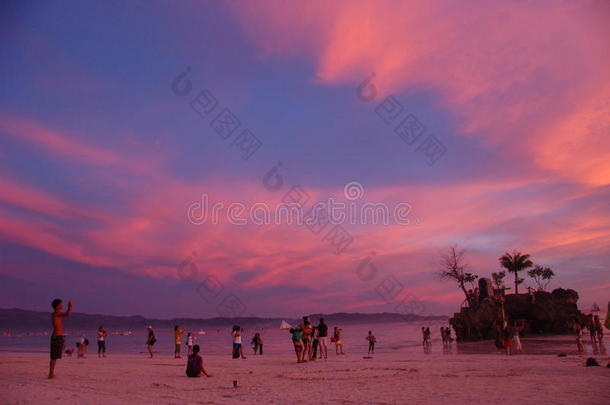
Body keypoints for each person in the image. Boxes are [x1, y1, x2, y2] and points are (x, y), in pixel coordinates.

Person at [49, 298, 72, 379]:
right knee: (54, 356)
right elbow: (68, 314)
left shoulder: (57, 313)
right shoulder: (56, 313)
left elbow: (66, 315)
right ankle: (50, 374)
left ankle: (51, 373)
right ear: (57, 306)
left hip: (58, 336)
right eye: (61, 304)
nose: (62, 305)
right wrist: (69, 306)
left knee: (55, 356)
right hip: (56, 336)